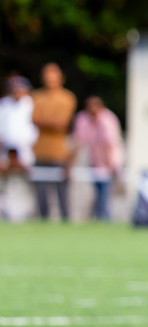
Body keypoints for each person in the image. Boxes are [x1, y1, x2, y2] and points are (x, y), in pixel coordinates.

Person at [30, 62, 76, 221]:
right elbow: (34, 119)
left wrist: (46, 123)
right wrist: (52, 124)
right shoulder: (37, 96)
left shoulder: (67, 97)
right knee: (41, 194)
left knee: (62, 193)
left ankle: (65, 221)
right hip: (40, 152)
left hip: (60, 153)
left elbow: (63, 123)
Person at [71, 95, 124, 221]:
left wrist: (111, 165)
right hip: (94, 160)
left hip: (110, 160)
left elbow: (109, 144)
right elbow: (78, 142)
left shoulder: (108, 119)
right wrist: (71, 163)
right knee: (98, 191)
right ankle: (99, 214)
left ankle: (103, 216)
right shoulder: (83, 119)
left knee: (105, 192)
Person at [0, 75, 37, 220]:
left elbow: (33, 131)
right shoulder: (4, 105)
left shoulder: (31, 104)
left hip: (26, 151)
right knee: (5, 184)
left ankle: (29, 212)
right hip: (6, 151)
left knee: (28, 182)